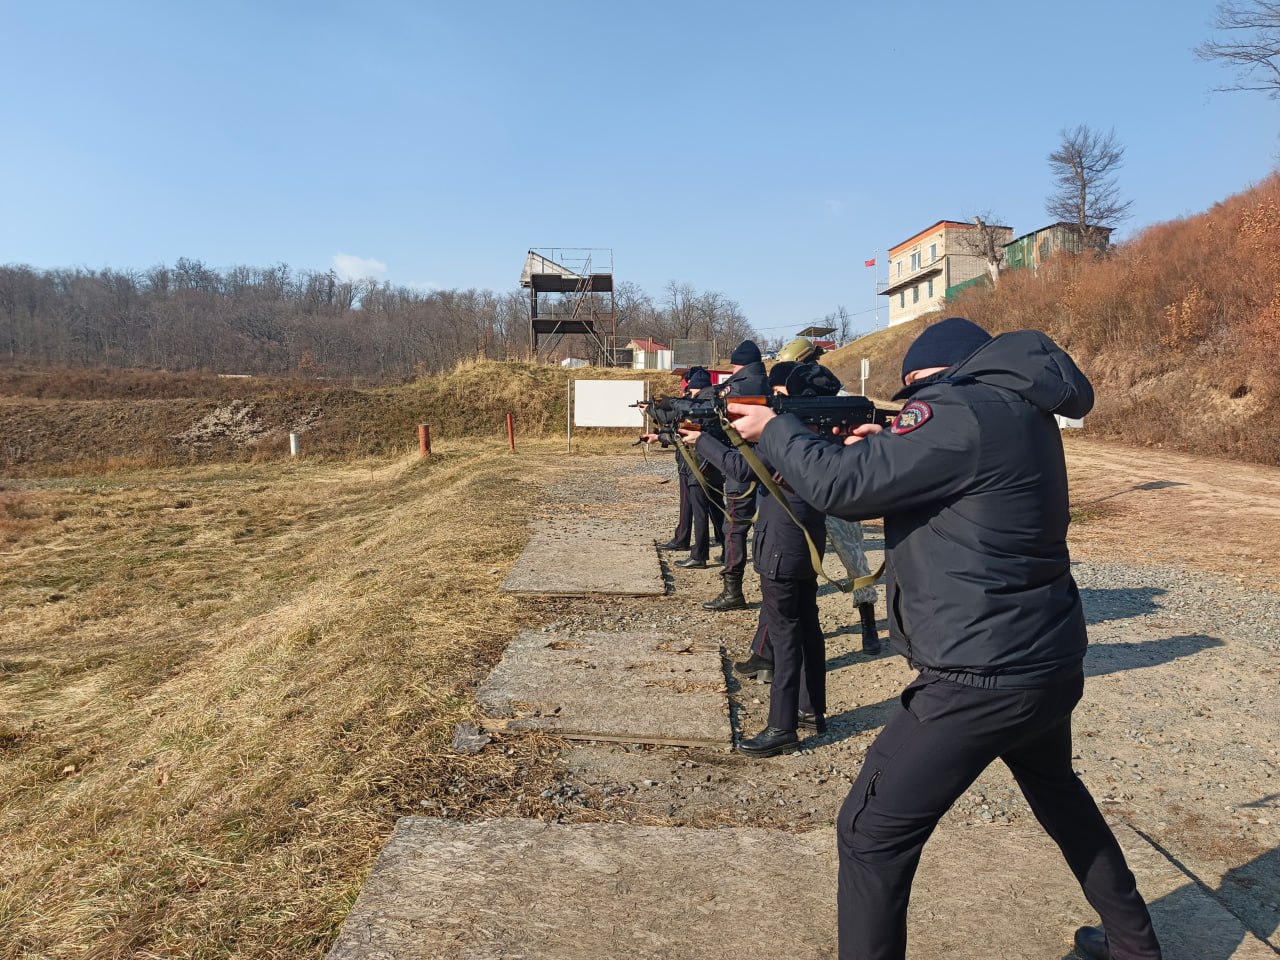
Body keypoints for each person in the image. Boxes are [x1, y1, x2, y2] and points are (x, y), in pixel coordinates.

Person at [727, 316, 1161, 960]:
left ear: (936, 374)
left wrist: (774, 427)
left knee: (869, 833)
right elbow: (925, 484)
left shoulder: (960, 406)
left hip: (978, 674)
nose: (913, 408)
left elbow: (841, 486)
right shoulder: (1012, 407)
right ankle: (1133, 945)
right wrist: (883, 445)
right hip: (1040, 657)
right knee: (1060, 795)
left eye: (915, 394)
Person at [687, 361, 841, 757]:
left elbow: (742, 468)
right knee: (808, 627)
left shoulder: (789, 435)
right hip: (806, 542)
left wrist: (701, 441)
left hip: (781, 546)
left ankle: (781, 724)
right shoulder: (822, 432)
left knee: (786, 636)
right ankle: (811, 709)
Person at [704, 339, 769, 610]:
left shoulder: (734, 388)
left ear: (737, 364)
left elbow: (718, 420)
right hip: (772, 463)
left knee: (734, 528)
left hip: (741, 463)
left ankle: (733, 591)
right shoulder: (771, 383)